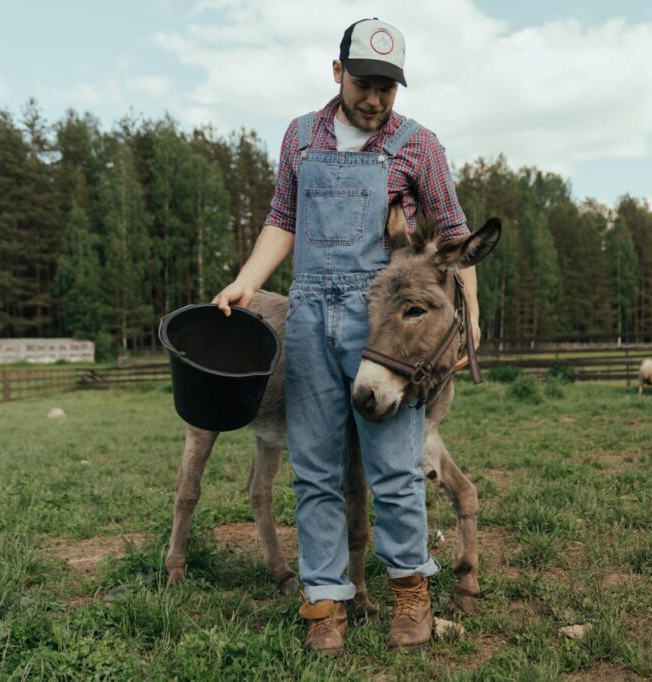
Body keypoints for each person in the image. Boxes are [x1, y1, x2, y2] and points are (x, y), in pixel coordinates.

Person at [212, 18, 479, 655]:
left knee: (394, 471)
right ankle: (324, 602)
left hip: (383, 326)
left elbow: (456, 236)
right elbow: (282, 218)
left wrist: (470, 318)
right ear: (338, 74)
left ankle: (411, 596)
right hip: (307, 318)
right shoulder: (300, 137)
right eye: (365, 83)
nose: (376, 99)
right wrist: (247, 283)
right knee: (316, 470)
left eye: (389, 87)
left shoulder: (420, 145)